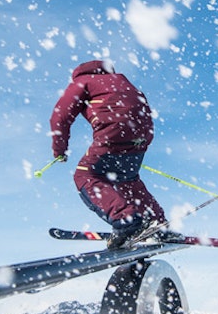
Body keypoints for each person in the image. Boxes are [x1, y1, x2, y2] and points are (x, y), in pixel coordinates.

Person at [49, 59, 171, 249]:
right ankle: (155, 222)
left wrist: (59, 150)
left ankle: (125, 220)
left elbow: (60, 116)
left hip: (114, 131)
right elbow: (138, 106)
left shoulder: (83, 81)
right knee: (127, 179)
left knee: (85, 175)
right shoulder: (122, 81)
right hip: (142, 134)